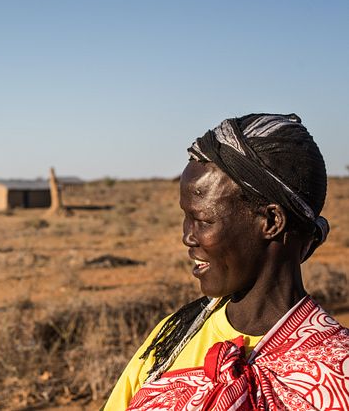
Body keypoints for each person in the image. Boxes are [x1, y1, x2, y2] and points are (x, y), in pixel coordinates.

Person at [104, 114, 349, 410]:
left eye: (202, 220)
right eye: (186, 217)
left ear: (271, 221)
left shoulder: (339, 372)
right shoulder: (173, 337)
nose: (187, 238)